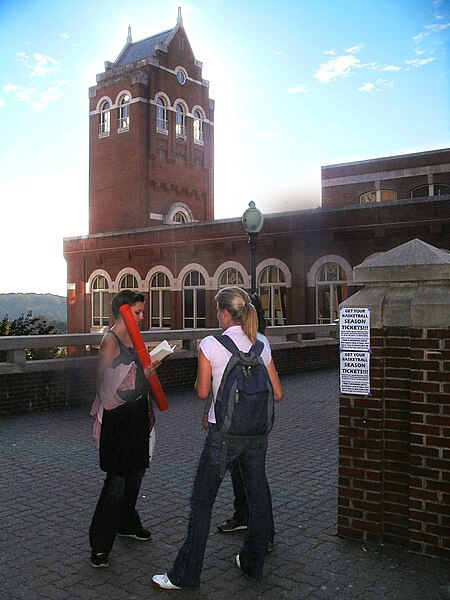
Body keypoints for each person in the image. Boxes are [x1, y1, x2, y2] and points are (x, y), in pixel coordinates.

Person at [152, 286, 283, 590]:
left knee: (202, 502)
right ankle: (252, 563)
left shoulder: (211, 344)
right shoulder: (261, 343)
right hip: (256, 434)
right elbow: (277, 393)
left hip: (222, 435)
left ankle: (185, 575)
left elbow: (201, 391)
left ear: (224, 313)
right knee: (258, 497)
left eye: (217, 310)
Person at [89, 290, 159, 568]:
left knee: (137, 472)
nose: (142, 317)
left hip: (139, 416)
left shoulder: (136, 337)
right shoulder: (110, 341)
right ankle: (99, 544)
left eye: (142, 312)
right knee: (116, 482)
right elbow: (102, 385)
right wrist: (142, 373)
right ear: (123, 312)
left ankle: (127, 523)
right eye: (138, 312)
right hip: (118, 421)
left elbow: (141, 380)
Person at [216, 293, 275, 552]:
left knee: (251, 481)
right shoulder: (262, 342)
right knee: (248, 478)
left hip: (230, 425)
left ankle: (264, 533)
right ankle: (246, 520)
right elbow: (277, 391)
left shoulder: (220, 343)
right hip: (256, 423)